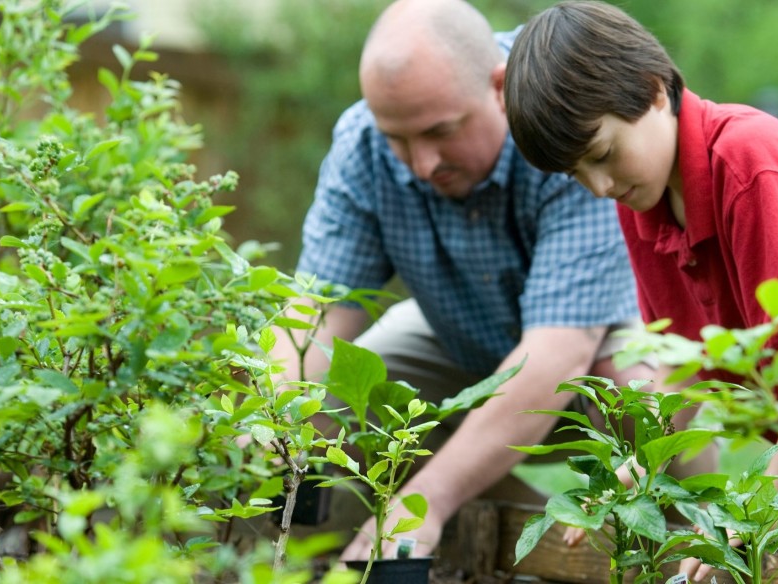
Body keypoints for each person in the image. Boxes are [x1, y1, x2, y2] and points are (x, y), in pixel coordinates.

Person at [270, 0, 666, 563]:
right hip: (454, 329)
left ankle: (679, 544)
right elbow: (315, 312)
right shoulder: (362, 143)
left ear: (499, 87)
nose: (421, 163)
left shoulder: (562, 116)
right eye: (398, 140)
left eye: (440, 132)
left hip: (595, 333)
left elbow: (558, 355)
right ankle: (338, 559)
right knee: (337, 403)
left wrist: (423, 502)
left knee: (643, 398)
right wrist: (267, 418)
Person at [503, 0, 778, 577]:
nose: (598, 186)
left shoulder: (748, 162)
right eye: (576, 174)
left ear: (652, 91)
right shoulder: (642, 202)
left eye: (602, 155)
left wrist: (749, 513)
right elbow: (681, 370)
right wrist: (640, 470)